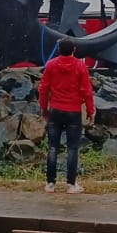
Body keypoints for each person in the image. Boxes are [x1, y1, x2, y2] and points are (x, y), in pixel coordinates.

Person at [39, 38, 94, 193]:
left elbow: (43, 88)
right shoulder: (80, 66)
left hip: (55, 110)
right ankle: (71, 184)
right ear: (74, 50)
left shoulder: (51, 65)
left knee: (52, 148)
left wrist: (44, 109)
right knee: (72, 148)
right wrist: (91, 111)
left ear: (58, 50)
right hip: (73, 111)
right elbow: (86, 91)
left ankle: (50, 184)